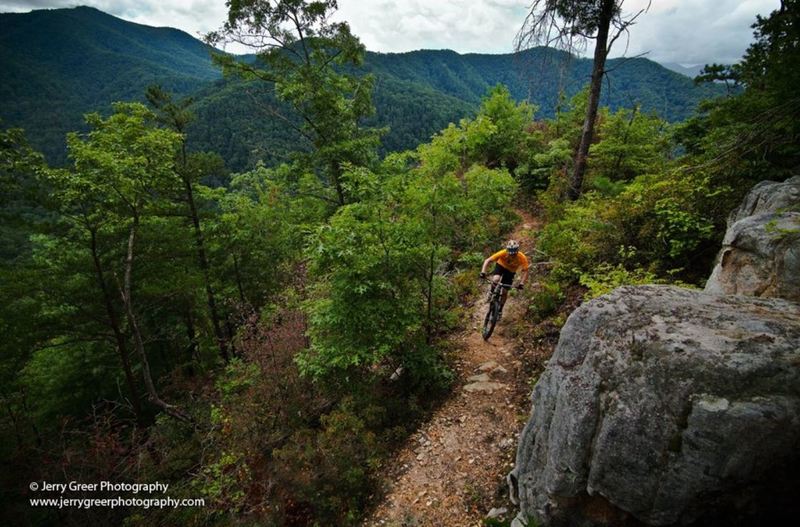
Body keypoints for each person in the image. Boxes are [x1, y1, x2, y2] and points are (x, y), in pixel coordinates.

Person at [480, 240, 529, 319]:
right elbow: (487, 260)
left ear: (517, 250)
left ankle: (500, 309)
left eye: (514, 252)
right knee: (496, 279)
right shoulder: (503, 252)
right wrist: (483, 272)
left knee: (505, 291)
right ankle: (491, 292)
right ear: (507, 250)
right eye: (510, 251)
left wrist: (522, 283)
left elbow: (526, 271)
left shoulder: (521, 257)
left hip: (510, 271)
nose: (512, 254)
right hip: (501, 266)